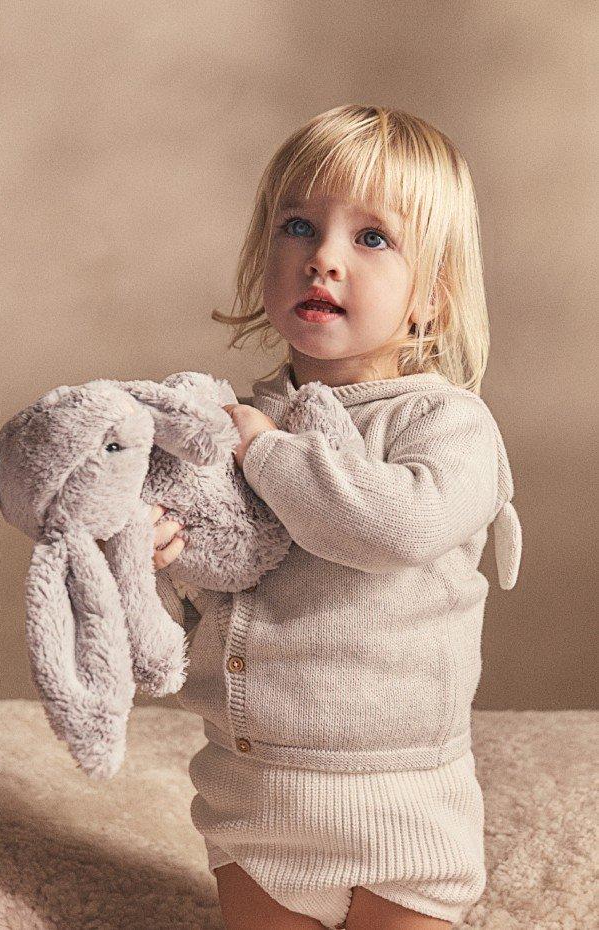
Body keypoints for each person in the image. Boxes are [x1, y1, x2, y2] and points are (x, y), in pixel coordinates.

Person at [147, 104, 522, 930]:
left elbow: (396, 528)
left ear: (432, 297)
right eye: (297, 226)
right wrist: (167, 561)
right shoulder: (234, 425)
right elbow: (222, 596)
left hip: (402, 802)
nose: (322, 258)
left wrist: (268, 455)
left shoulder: (447, 426)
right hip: (254, 793)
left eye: (372, 238)